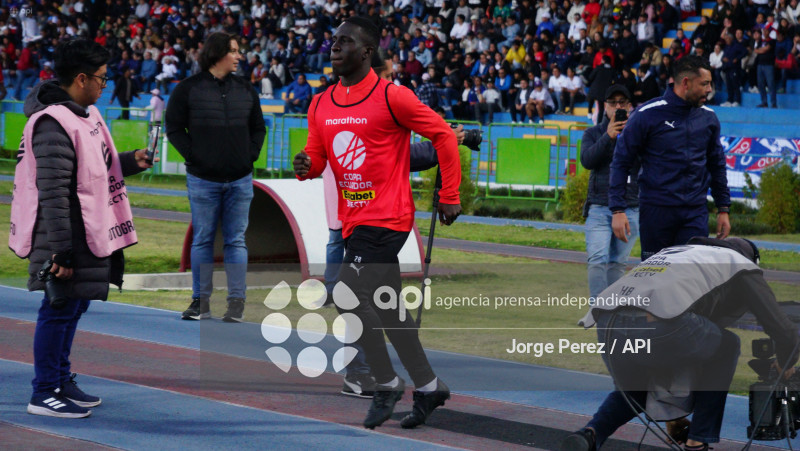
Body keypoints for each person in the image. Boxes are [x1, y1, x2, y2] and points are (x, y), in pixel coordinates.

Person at [293, 17, 460, 430]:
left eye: (344, 42)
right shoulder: (321, 103)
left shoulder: (392, 97)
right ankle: (429, 385)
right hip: (353, 220)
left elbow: (442, 135)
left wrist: (450, 195)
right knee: (389, 310)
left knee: (348, 292)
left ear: (366, 52)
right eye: (332, 41)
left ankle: (386, 381)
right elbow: (318, 155)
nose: (334, 48)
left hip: (388, 218)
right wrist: (306, 165)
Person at [9, 38, 155, 418]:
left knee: (74, 308)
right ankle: (43, 391)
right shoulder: (53, 123)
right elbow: (53, 192)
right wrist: (60, 251)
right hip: (65, 234)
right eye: (102, 79)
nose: (104, 86)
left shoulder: (84, 115)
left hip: (87, 229)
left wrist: (130, 161)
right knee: (57, 310)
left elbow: (95, 167)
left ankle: (59, 379)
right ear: (80, 78)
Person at [561, 237, 799, 451]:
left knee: (634, 389)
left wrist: (673, 417)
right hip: (657, 324)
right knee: (727, 346)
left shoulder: (679, 251)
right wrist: (784, 363)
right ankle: (697, 442)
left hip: (606, 323)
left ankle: (589, 435)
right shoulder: (741, 265)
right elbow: (783, 329)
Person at [166, 32, 266, 322]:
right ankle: (200, 302)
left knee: (236, 240)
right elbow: (173, 128)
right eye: (234, 51)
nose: (239, 56)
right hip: (202, 179)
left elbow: (258, 128)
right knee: (202, 239)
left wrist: (250, 155)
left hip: (240, 179)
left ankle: (236, 304)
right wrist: (194, 156)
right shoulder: (187, 89)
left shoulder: (247, 90)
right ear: (218, 53)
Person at [609, 56, 731, 261]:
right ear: (685, 83)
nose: (709, 89)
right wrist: (617, 209)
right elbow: (621, 162)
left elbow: (717, 165)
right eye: (704, 83)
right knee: (654, 279)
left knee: (691, 280)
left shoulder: (709, 118)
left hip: (695, 213)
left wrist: (723, 208)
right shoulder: (646, 114)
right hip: (656, 212)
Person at [580, 85, 639, 301]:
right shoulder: (593, 133)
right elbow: (587, 161)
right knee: (597, 258)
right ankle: (597, 308)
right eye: (613, 103)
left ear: (630, 106)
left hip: (630, 206)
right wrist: (608, 136)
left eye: (622, 103)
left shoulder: (637, 134)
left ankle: (612, 309)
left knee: (617, 262)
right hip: (599, 206)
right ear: (604, 106)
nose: (618, 107)